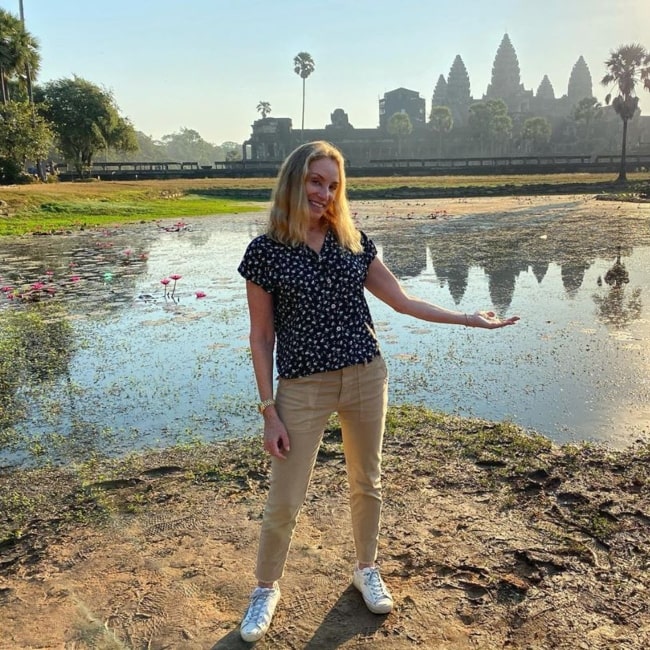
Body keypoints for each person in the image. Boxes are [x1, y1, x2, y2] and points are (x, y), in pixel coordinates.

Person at [237, 140, 519, 642]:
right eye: (315, 181)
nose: (324, 194)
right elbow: (261, 337)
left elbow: (403, 301)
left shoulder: (353, 242)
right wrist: (269, 411)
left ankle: (366, 568)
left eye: (333, 185)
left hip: (367, 376)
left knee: (367, 480)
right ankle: (266, 588)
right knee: (286, 495)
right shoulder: (265, 252)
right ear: (294, 181)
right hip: (302, 387)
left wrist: (468, 319)